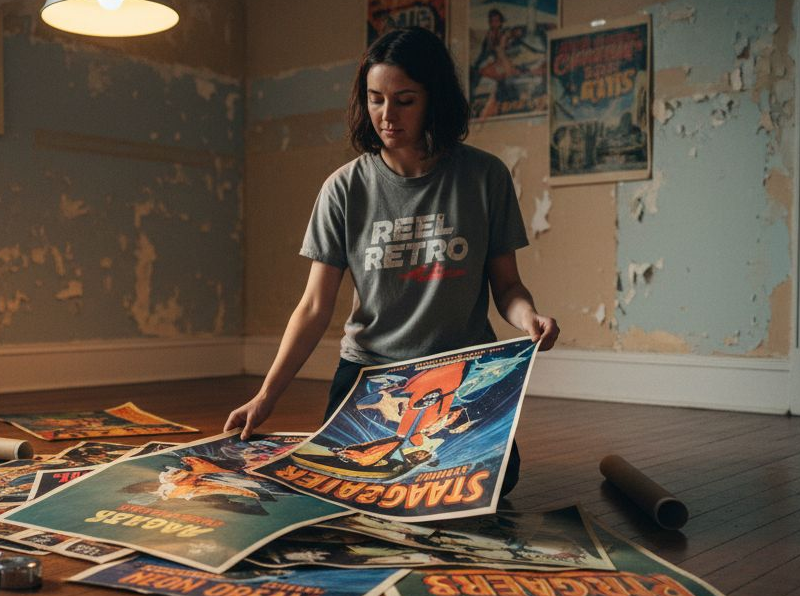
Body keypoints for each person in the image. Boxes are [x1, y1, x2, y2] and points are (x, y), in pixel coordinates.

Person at [223, 26, 558, 495]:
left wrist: (529, 318)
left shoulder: (485, 177)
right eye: (375, 99)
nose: (386, 115)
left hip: (457, 372)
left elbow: (507, 288)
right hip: (371, 374)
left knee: (492, 483)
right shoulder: (343, 189)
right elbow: (314, 307)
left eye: (404, 101)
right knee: (351, 480)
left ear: (434, 100)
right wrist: (265, 396)